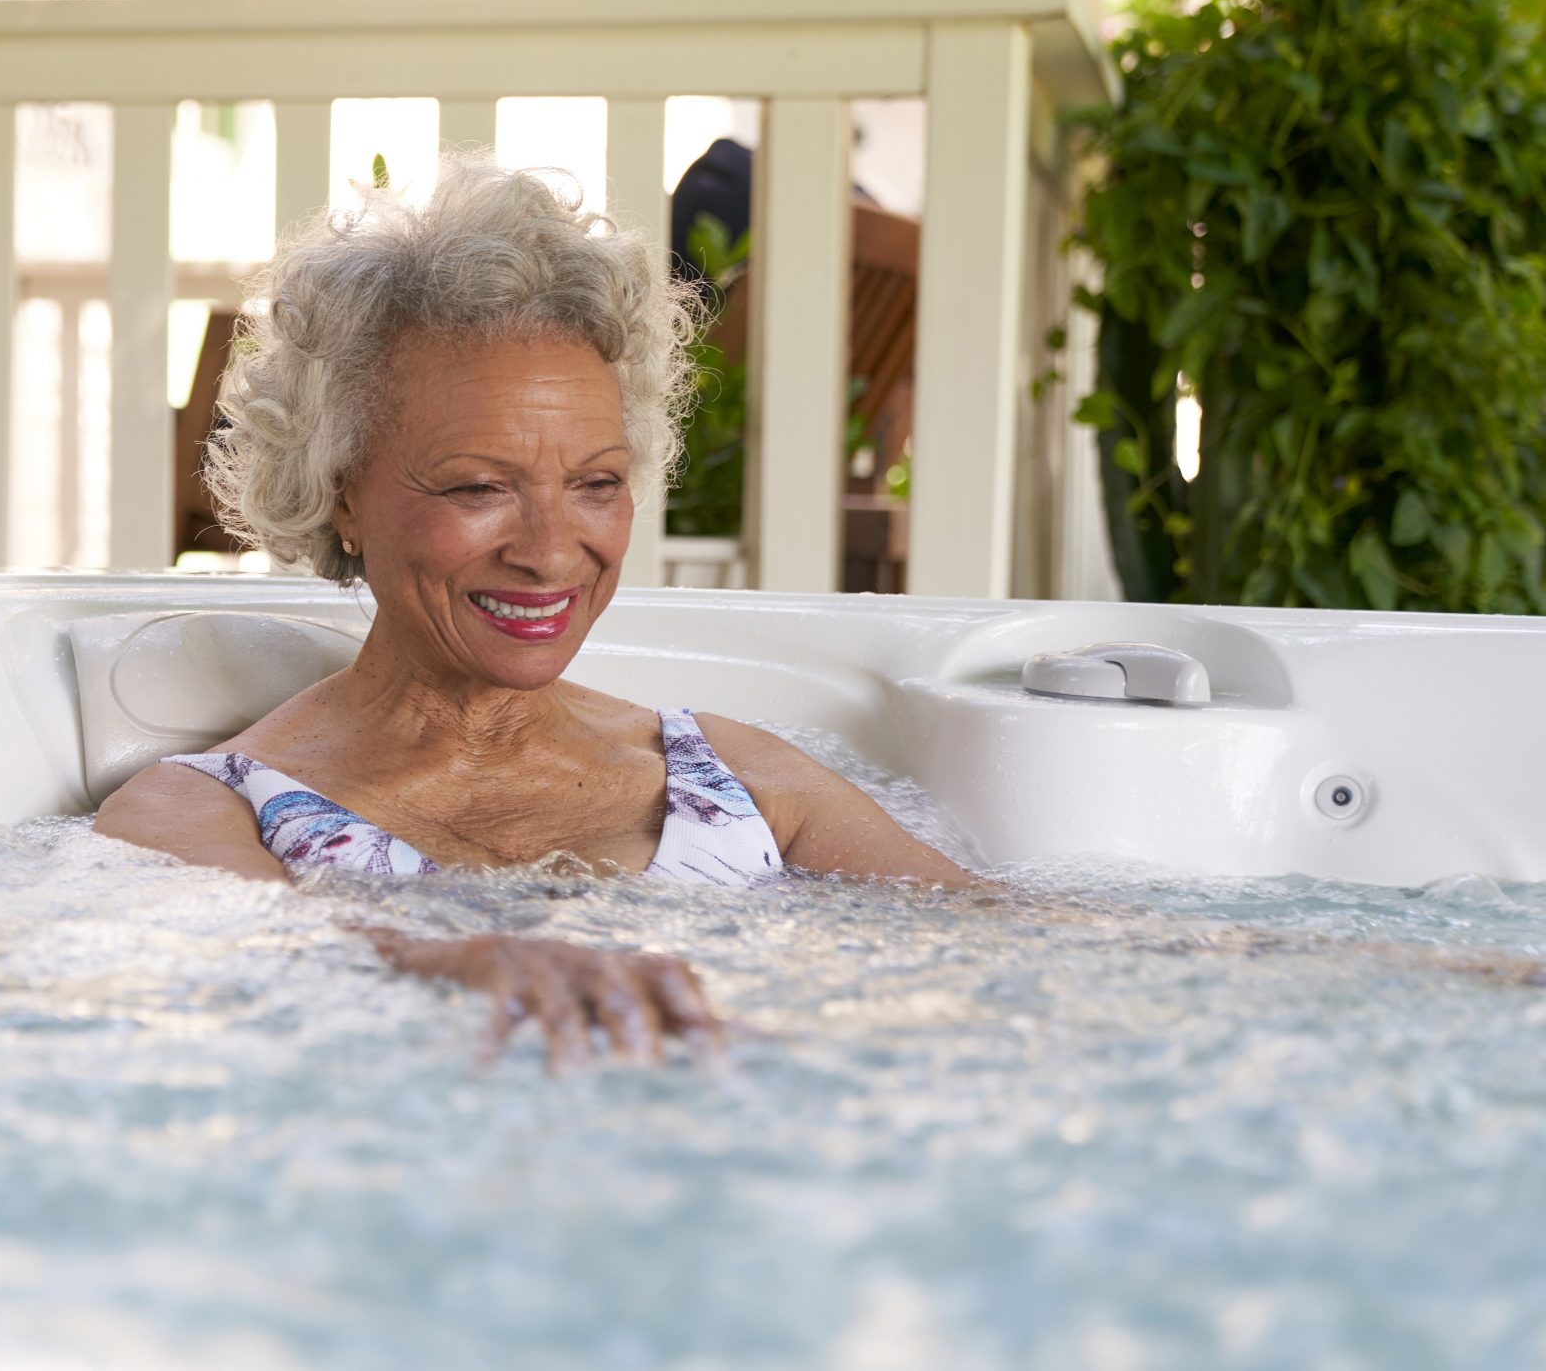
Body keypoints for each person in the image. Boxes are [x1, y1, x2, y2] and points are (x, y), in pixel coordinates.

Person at [96, 158, 975, 1068]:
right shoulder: (210, 810)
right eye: (479, 486)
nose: (553, 552)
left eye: (597, 484)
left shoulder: (739, 776)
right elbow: (253, 971)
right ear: (341, 495)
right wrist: (447, 964)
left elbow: (1027, 961)